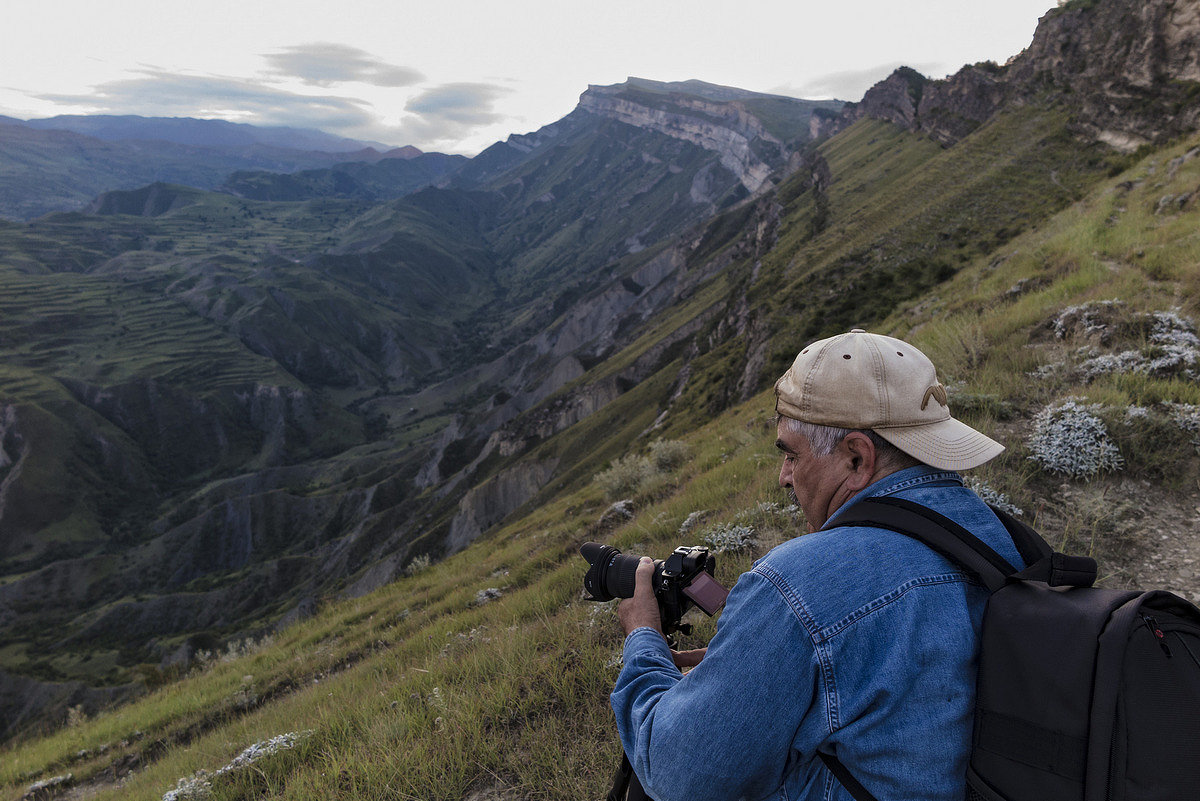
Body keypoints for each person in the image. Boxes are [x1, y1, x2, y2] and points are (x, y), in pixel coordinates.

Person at [611, 329, 1023, 801]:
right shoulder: (998, 536)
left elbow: (680, 775)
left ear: (856, 457)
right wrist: (766, 665)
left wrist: (643, 639)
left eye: (790, 453)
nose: (784, 477)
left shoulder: (799, 584)